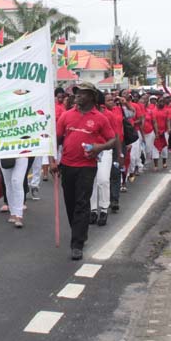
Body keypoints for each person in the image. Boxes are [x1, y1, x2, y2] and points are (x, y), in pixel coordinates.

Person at [50, 82, 115, 260]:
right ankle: (79, 231)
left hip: (87, 166)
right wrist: (52, 161)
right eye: (76, 93)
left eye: (82, 93)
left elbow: (112, 140)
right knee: (70, 203)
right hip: (67, 165)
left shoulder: (100, 118)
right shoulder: (66, 115)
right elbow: (55, 140)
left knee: (82, 203)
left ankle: (77, 243)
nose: (77, 96)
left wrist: (99, 148)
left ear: (92, 97)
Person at [91, 93, 123, 224]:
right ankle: (92, 210)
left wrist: (119, 154)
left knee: (103, 180)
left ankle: (103, 209)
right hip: (89, 152)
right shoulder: (86, 114)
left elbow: (116, 135)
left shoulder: (108, 115)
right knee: (92, 181)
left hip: (105, 151)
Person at [0, 157, 28, 228]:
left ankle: (19, 215)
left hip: (21, 153)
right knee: (8, 184)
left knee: (16, 182)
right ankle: (13, 213)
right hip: (4, 154)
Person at [152, 97, 171, 170]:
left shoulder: (167, 110)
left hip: (165, 132)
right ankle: (156, 165)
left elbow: (168, 120)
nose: (161, 103)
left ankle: (164, 162)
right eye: (160, 101)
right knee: (155, 148)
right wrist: (157, 132)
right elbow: (154, 122)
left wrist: (169, 128)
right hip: (155, 132)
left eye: (163, 102)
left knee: (164, 147)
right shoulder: (154, 111)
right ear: (157, 102)